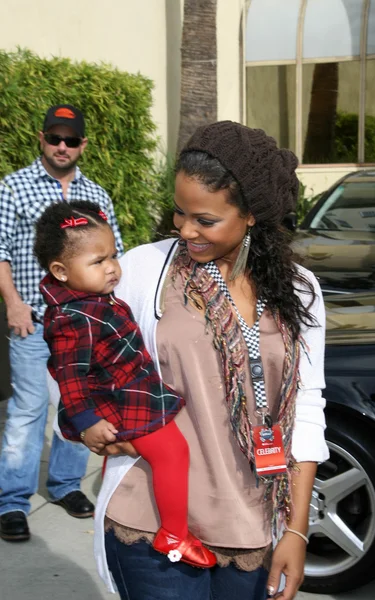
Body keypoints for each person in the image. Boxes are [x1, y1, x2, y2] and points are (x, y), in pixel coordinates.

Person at [93, 121, 329, 600]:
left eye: (204, 219)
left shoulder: (300, 290)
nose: (184, 230)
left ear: (251, 216)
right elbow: (84, 353)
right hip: (151, 519)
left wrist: (297, 531)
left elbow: (306, 407)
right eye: (180, 213)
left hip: (255, 521)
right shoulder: (143, 269)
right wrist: (88, 418)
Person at [34, 200, 216, 569]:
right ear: (61, 270)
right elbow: (68, 376)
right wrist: (86, 423)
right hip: (121, 404)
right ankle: (174, 534)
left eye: (112, 255)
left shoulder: (91, 299)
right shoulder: (73, 317)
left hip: (134, 390)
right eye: (98, 261)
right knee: (172, 452)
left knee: (170, 452)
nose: (113, 268)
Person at [0, 104, 124, 542]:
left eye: (70, 140)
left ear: (82, 145)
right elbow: (0, 250)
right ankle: (13, 501)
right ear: (42, 138)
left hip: (84, 327)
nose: (61, 146)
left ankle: (66, 486)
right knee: (28, 411)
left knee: (78, 408)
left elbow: (114, 256)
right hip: (32, 323)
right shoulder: (12, 188)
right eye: (54, 137)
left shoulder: (97, 197)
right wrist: (12, 302)